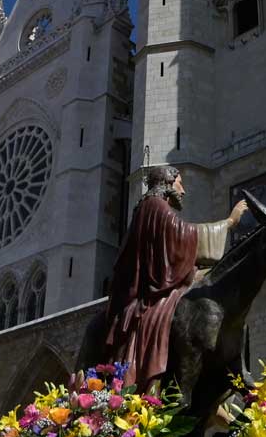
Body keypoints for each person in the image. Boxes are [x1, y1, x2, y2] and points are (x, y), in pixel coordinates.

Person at [101, 165, 249, 388]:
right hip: (148, 293)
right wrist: (229, 222)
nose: (184, 191)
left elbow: (169, 247)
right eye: (180, 183)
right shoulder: (155, 206)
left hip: (156, 282)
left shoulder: (148, 207)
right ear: (167, 184)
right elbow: (180, 237)